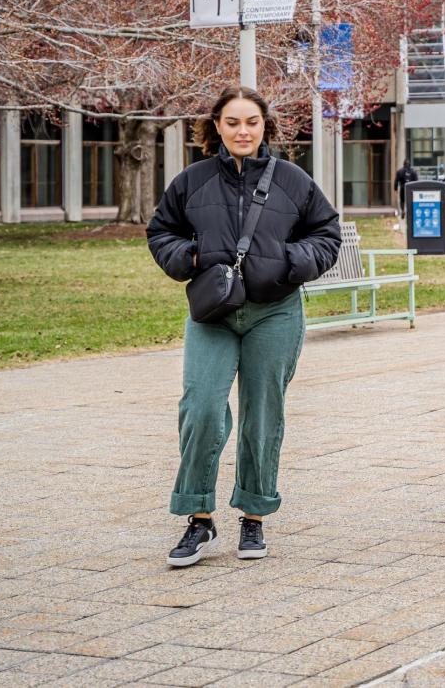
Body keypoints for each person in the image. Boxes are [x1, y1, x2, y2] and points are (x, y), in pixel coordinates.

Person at [147, 86, 340, 567]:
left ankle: (253, 517)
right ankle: (198, 519)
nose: (242, 131)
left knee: (262, 414)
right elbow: (161, 231)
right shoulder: (192, 180)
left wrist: (288, 262)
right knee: (201, 407)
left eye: (251, 121)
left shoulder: (293, 181)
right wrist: (188, 257)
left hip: (274, 311)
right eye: (232, 122)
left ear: (264, 125)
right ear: (216, 126)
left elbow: (326, 233)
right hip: (213, 313)